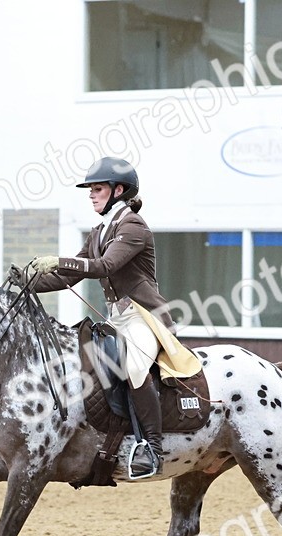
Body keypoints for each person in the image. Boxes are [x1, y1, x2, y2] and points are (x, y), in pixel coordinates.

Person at [15, 156, 175, 479]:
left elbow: (104, 267)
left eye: (97, 188)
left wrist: (57, 259)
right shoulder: (99, 231)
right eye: (90, 189)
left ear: (118, 190)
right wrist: (27, 283)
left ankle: (153, 449)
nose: (91, 194)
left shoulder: (133, 226)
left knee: (134, 365)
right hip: (118, 319)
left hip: (145, 317)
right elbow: (68, 277)